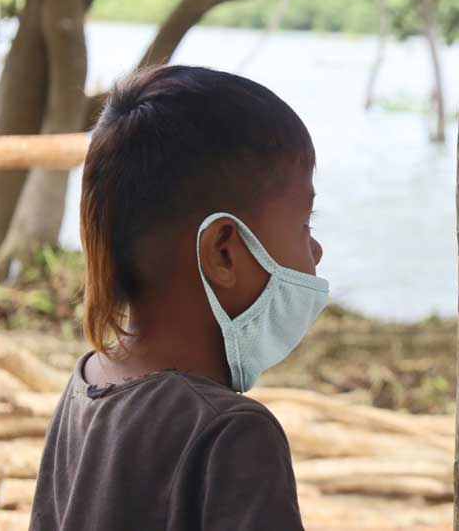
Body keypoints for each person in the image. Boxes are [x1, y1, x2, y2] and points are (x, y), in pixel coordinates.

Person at [28, 66, 319, 530]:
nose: (316, 250)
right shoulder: (232, 432)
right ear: (223, 250)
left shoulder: (87, 380)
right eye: (306, 224)